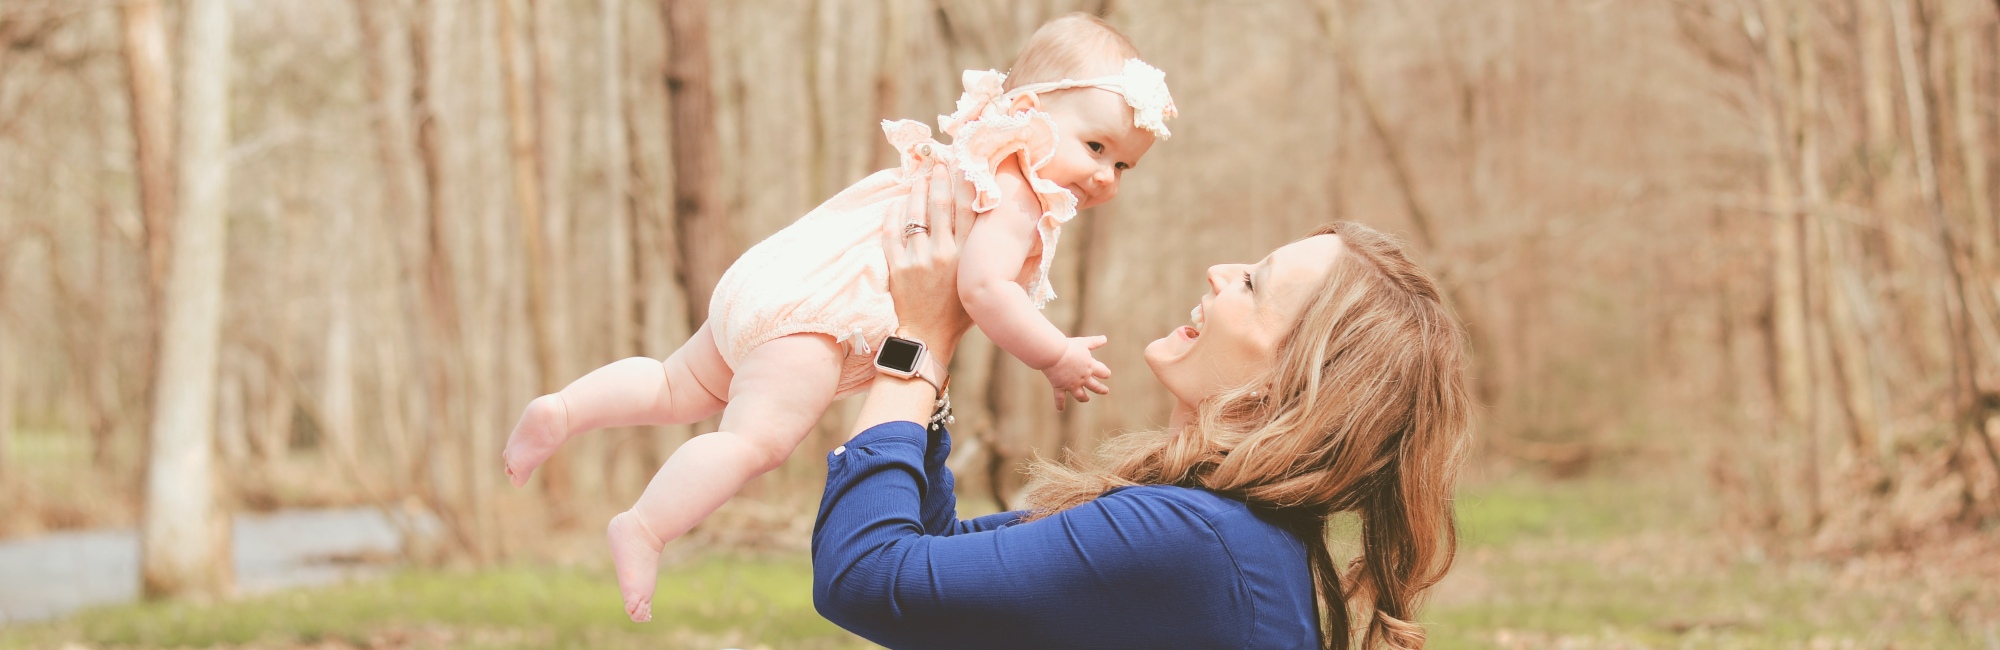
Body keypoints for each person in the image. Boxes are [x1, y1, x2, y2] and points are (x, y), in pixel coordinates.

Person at [497, 14, 1178, 622]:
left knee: (676, 385)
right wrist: (1052, 354)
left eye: (1124, 165)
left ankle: (564, 409)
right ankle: (645, 527)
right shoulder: (1016, 191)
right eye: (1095, 148)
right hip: (818, 318)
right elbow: (982, 290)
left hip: (778, 276)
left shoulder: (974, 153)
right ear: (1029, 111)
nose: (1106, 177)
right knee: (754, 444)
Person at [814, 165, 1472, 649]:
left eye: (1252, 283)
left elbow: (867, 576)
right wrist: (938, 344)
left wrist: (917, 343)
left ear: (1286, 383)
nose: (1220, 270)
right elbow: (935, 565)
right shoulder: (1222, 533)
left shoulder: (1192, 538)